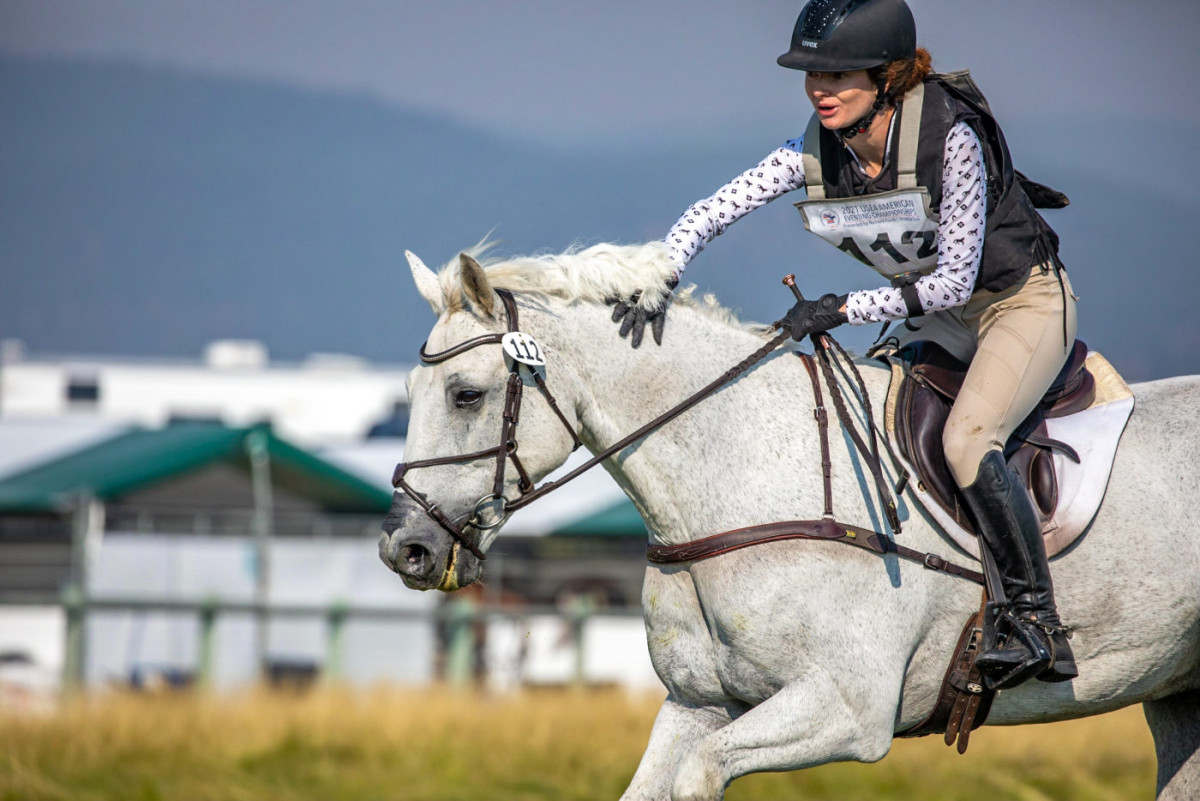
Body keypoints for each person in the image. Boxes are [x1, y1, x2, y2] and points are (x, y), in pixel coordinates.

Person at [611, 0, 1078, 690]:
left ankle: (1038, 620)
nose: (819, 90)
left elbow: (952, 283)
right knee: (867, 416)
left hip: (1020, 303)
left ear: (887, 77)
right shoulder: (817, 148)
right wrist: (661, 271)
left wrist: (841, 308)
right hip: (938, 311)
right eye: (811, 76)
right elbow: (714, 209)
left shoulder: (952, 138)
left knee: (966, 438)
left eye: (838, 76)